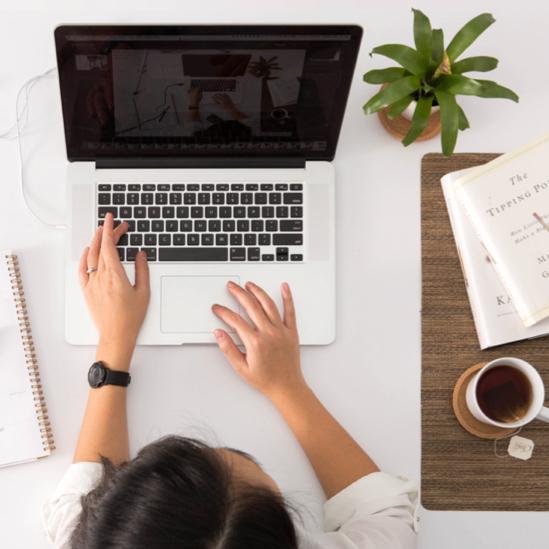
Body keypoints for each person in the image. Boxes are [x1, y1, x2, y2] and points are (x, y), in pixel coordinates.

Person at [43, 213, 418, 548]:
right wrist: (288, 388)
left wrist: (114, 339)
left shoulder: (84, 537)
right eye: (270, 491)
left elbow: (80, 499)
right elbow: (388, 515)